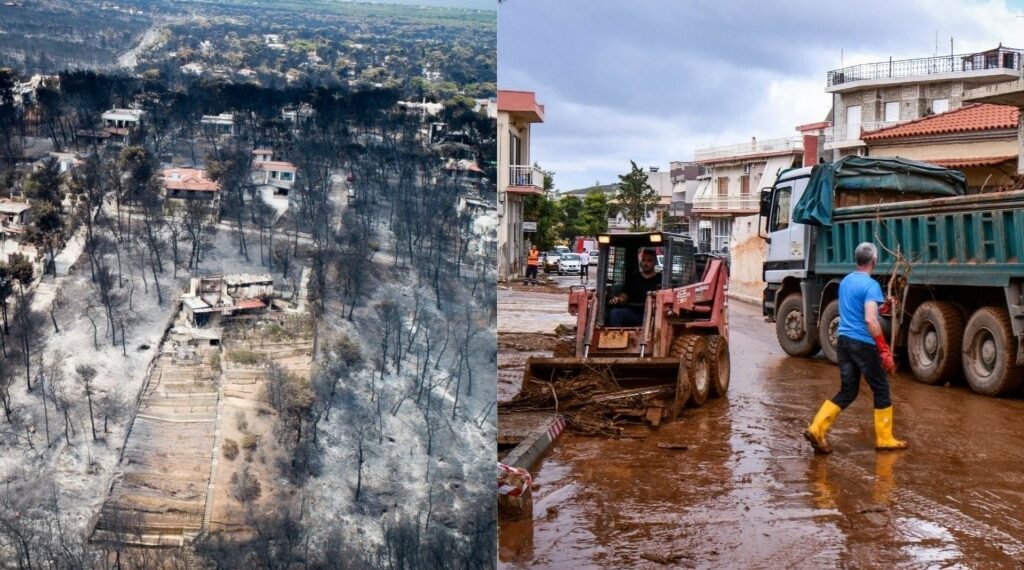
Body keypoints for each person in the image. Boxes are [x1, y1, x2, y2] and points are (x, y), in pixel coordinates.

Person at [804, 242, 907, 454]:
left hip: (843, 342)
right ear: (874, 261)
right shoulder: (871, 286)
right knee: (880, 388)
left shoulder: (846, 281)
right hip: (862, 344)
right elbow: (870, 320)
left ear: (857, 259)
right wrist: (884, 349)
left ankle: (816, 428)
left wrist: (883, 305)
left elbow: (858, 307)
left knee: (848, 390)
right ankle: (885, 438)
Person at [608, 248, 661, 326]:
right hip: (635, 313)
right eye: (643, 260)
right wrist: (619, 299)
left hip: (655, 314)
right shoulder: (634, 278)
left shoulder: (660, 279)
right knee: (615, 313)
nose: (646, 263)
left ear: (655, 262)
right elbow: (626, 294)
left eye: (649, 260)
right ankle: (616, 337)